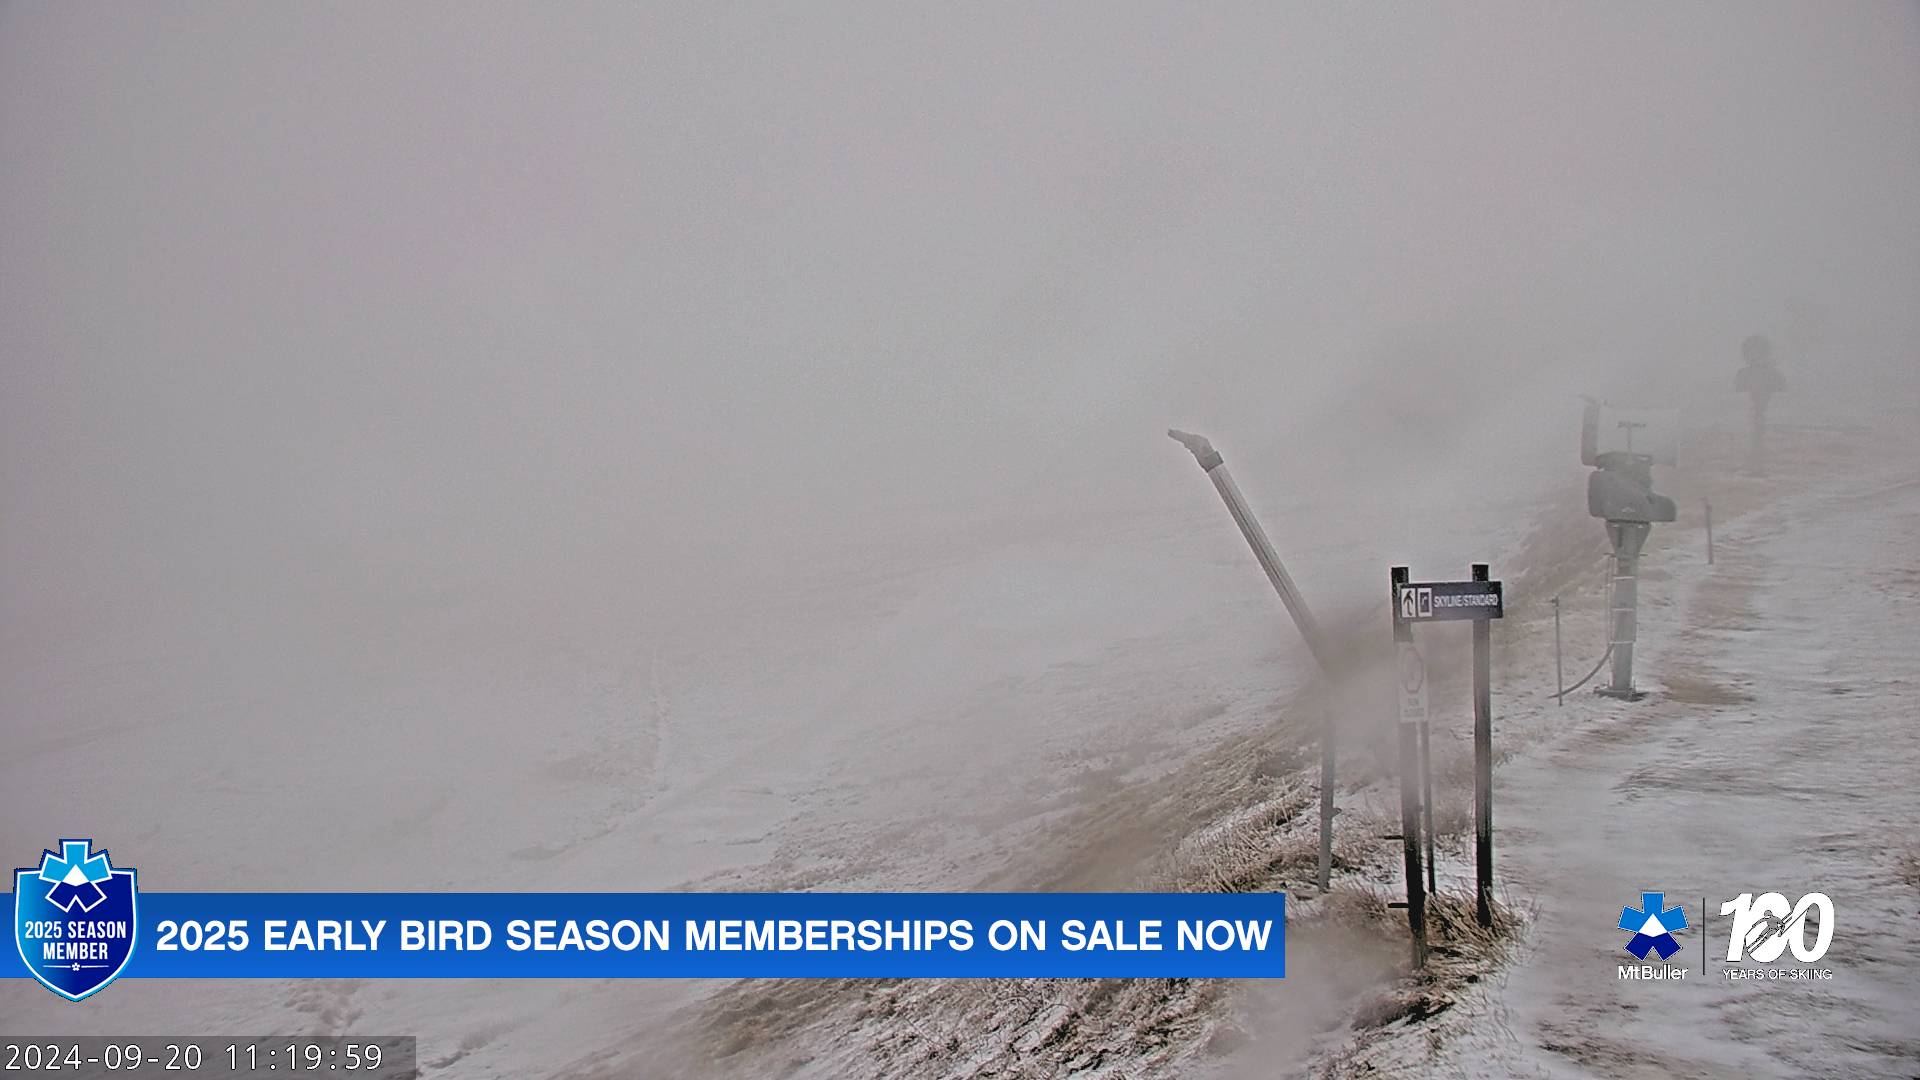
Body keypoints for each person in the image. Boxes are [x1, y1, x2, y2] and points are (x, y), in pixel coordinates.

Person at [1735, 334, 1785, 473]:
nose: (1753, 355)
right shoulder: (1742, 374)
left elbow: (1783, 398)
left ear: (1765, 352)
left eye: (1757, 351)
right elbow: (1737, 398)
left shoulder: (1774, 374)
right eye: (1750, 351)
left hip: (1770, 423)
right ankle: (1752, 465)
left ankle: (1759, 466)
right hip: (1749, 421)